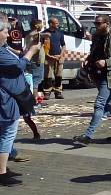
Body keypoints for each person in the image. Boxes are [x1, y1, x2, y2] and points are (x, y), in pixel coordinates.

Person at [72, 14, 111, 146]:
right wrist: (87, 59)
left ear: (107, 24)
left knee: (100, 104)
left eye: (98, 23)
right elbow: (94, 52)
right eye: (95, 23)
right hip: (95, 74)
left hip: (108, 76)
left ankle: (88, 135)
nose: (96, 26)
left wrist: (106, 62)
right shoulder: (97, 37)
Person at [0, 13, 41, 185]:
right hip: (5, 99)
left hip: (9, 98)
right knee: (7, 133)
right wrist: (31, 52)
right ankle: (1, 172)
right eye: (5, 31)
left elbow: (18, 61)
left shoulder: (4, 49)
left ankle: (3, 168)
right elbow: (18, 66)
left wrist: (29, 48)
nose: (8, 34)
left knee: (5, 133)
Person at [43, 17, 66, 99]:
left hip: (59, 57)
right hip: (48, 57)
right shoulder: (44, 33)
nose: (58, 24)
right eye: (56, 23)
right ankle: (47, 92)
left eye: (57, 23)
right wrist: (49, 56)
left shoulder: (60, 32)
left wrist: (61, 55)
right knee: (48, 75)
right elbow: (42, 47)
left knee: (59, 75)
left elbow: (63, 45)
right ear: (51, 24)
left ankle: (58, 91)